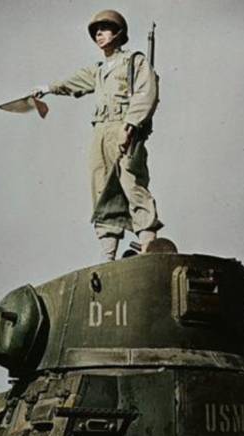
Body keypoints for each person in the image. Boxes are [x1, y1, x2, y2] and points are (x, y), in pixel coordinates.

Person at [33, 9, 162, 262]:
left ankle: (150, 245)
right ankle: (108, 257)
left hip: (124, 129)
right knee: (102, 189)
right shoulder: (100, 70)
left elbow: (146, 93)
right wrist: (47, 88)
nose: (99, 35)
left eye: (104, 29)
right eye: (96, 31)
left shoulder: (134, 61)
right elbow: (75, 81)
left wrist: (131, 125)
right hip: (101, 132)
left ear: (118, 33)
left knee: (132, 184)